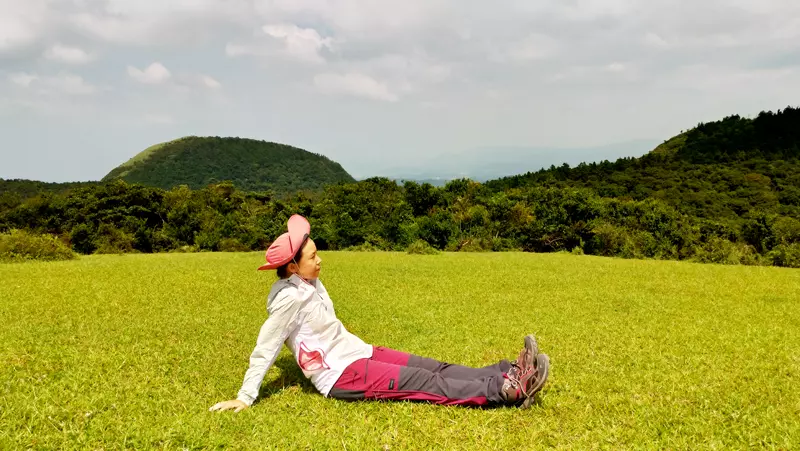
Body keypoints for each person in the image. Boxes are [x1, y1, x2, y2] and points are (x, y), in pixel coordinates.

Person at [209, 215, 549, 413]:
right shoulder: (288, 300)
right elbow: (266, 346)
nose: (320, 259)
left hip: (359, 352)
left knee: (431, 366)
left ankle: (505, 370)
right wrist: (245, 396)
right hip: (343, 376)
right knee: (427, 383)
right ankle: (508, 390)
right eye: (313, 256)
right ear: (293, 265)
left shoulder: (310, 283)